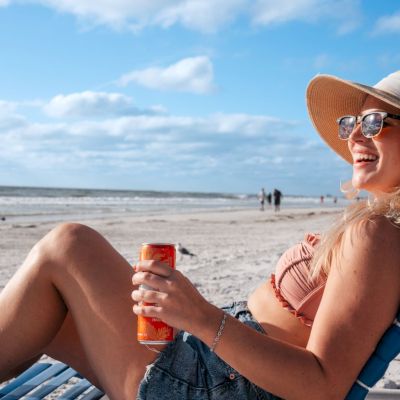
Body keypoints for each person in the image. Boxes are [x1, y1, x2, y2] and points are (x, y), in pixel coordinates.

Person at [1, 71, 400, 400]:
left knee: (69, 244)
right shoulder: (378, 230)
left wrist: (199, 315)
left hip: (214, 385)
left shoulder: (376, 234)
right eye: (351, 123)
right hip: (218, 367)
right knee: (49, 311)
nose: (354, 136)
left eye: (374, 122)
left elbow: (323, 385)